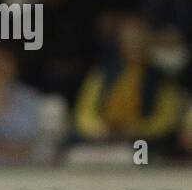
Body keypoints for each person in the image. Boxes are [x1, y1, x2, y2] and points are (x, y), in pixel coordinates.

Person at [74, 17, 182, 152]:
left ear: (149, 43)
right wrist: (98, 129)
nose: (135, 45)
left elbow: (167, 118)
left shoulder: (161, 79)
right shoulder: (102, 74)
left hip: (143, 143)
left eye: (140, 40)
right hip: (102, 140)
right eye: (131, 41)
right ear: (121, 43)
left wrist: (139, 129)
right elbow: (85, 111)